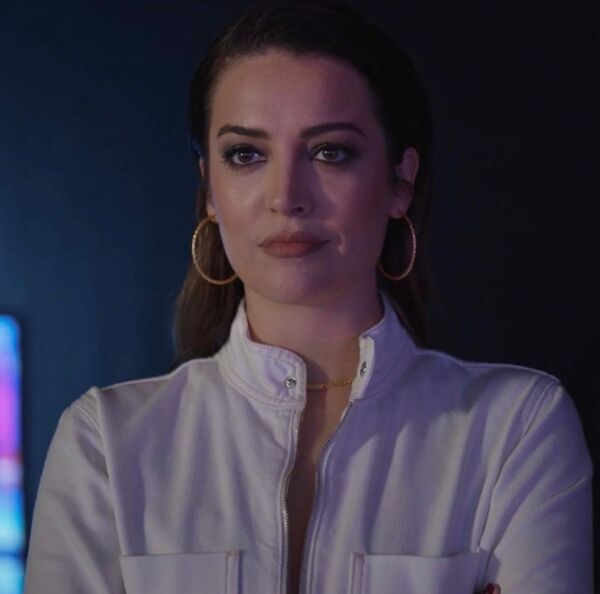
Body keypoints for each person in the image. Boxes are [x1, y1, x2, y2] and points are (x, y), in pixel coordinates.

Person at [24, 1, 593, 593]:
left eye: (330, 151)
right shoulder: (106, 443)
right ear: (210, 189)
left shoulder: (515, 428)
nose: (285, 196)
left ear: (400, 181)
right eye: (246, 154)